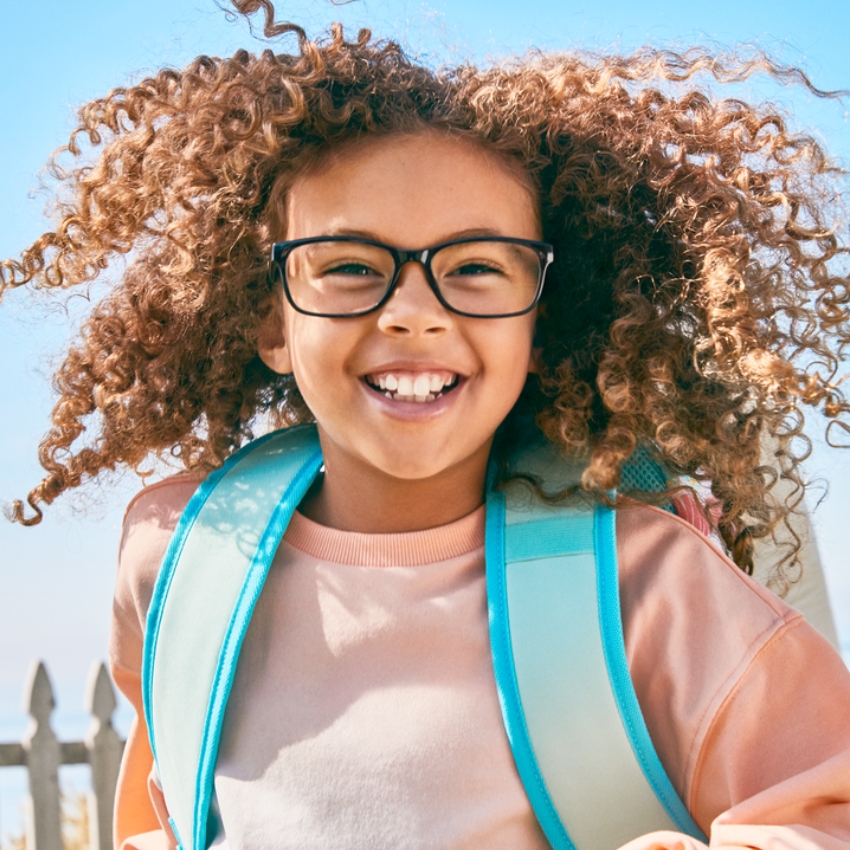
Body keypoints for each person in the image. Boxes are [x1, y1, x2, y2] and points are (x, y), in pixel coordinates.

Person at [2, 2, 849, 848]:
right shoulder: (179, 555)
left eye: (476, 266)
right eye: (349, 265)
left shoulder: (653, 589)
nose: (414, 313)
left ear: (540, 326)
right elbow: (163, 819)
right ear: (271, 321)